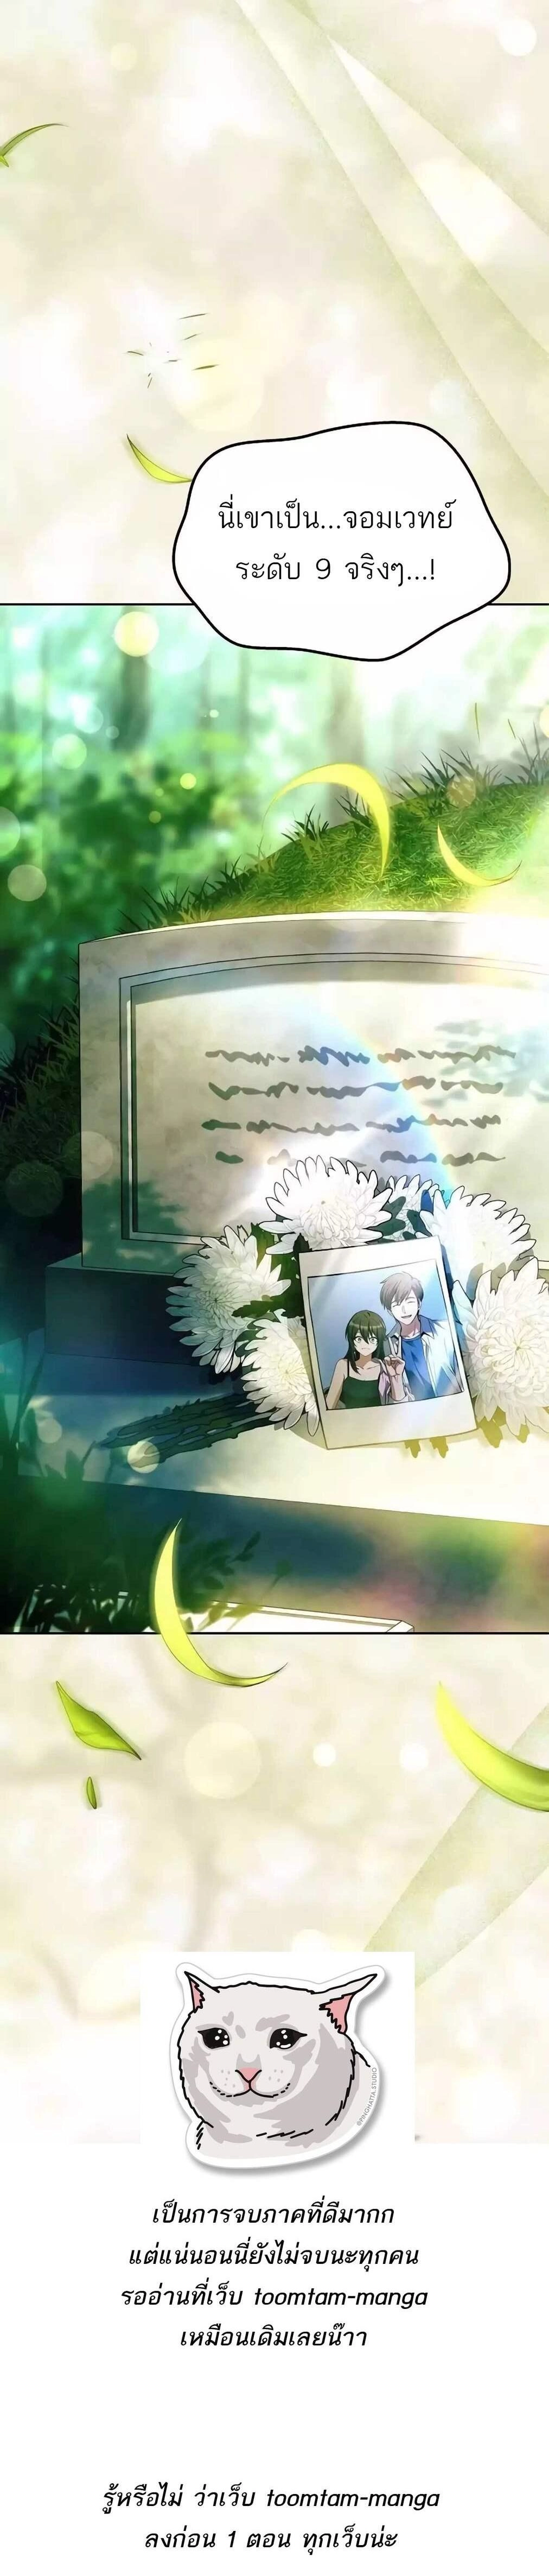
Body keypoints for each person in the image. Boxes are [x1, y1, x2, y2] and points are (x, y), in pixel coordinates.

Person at [379, 1269, 461, 1403]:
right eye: (397, 1305)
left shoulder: (444, 1331)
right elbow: (391, 1403)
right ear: (390, 1311)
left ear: (419, 1303)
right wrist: (396, 1379)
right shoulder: (387, 1347)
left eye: (409, 1301)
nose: (404, 1310)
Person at [325, 1308, 410, 1412]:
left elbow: (399, 1409)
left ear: (379, 1341)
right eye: (359, 1339)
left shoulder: (385, 1368)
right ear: (352, 1340)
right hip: (349, 1421)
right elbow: (329, 1406)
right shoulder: (343, 1366)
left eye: (372, 1339)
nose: (365, 1344)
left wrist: (396, 1377)